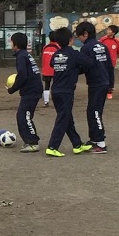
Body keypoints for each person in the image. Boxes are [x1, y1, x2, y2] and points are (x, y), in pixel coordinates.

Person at [44, 28, 87, 158]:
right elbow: (89, 63)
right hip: (66, 92)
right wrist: (76, 70)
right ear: (70, 40)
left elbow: (52, 64)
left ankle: (77, 144)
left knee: (67, 118)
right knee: (63, 119)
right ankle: (52, 147)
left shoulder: (56, 54)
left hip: (55, 90)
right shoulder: (74, 54)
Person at [75, 21, 114, 154]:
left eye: (79, 36)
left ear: (85, 34)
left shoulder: (86, 48)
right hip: (104, 82)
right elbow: (110, 66)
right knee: (92, 111)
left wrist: (71, 72)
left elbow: (85, 66)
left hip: (96, 84)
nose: (79, 39)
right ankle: (94, 140)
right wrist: (111, 85)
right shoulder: (102, 46)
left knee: (94, 112)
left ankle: (101, 143)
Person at [8, 31, 43, 152]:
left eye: (11, 41)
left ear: (16, 44)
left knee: (24, 116)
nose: (10, 43)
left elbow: (22, 75)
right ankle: (30, 141)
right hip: (33, 89)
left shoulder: (21, 56)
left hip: (32, 90)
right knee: (23, 115)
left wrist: (12, 89)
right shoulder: (25, 55)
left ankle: (32, 142)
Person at [99, 24, 119, 99]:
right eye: (108, 29)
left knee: (111, 78)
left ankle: (109, 92)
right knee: (101, 77)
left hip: (111, 64)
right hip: (102, 63)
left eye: (109, 30)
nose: (108, 31)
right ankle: (101, 91)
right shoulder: (102, 40)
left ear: (113, 33)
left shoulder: (116, 42)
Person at [40, 29, 60, 108]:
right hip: (55, 70)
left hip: (46, 70)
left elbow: (43, 59)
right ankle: (57, 100)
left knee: (46, 86)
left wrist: (43, 68)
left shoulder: (45, 47)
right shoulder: (58, 47)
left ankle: (46, 101)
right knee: (56, 85)